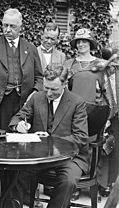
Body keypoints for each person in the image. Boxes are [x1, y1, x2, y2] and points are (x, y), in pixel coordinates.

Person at [9, 64, 89, 208]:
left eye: (54, 89)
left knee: (68, 182)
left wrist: (52, 141)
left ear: (65, 84)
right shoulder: (37, 98)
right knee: (13, 171)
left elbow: (81, 137)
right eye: (46, 88)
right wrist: (19, 125)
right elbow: (17, 118)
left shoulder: (77, 103)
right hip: (39, 156)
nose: (49, 93)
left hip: (70, 157)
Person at [65, 28, 118, 198]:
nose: (81, 44)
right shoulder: (69, 64)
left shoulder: (102, 63)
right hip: (74, 112)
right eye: (78, 42)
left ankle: (100, 183)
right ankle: (76, 184)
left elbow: (112, 84)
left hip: (97, 112)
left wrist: (108, 64)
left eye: (85, 42)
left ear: (91, 44)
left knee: (99, 147)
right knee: (76, 147)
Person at [0, 8, 43, 132]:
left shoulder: (31, 48)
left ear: (20, 27)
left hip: (23, 101)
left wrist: (34, 93)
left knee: (21, 137)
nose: (7, 30)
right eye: (5, 25)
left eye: (12, 26)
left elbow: (39, 77)